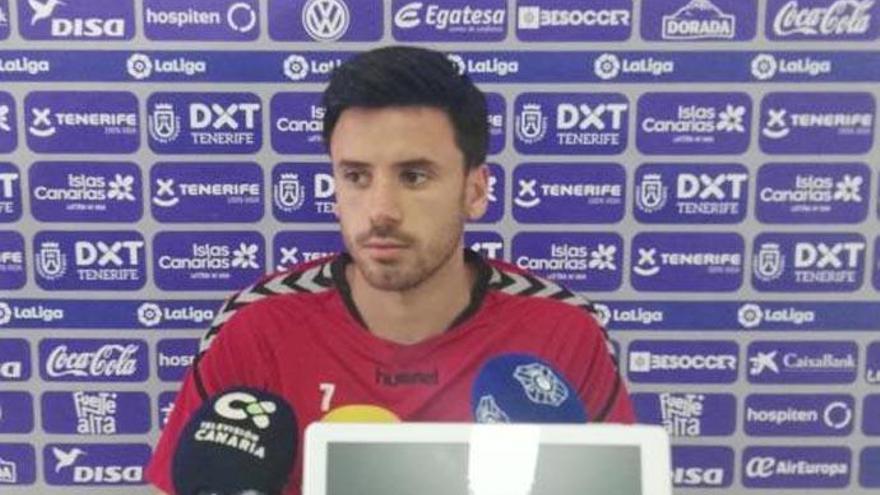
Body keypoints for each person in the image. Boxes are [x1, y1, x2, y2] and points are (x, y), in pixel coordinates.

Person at [146, 46, 634, 495]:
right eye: (356, 176)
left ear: (476, 190)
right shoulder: (257, 327)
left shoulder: (561, 329)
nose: (381, 210)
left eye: (414, 176)